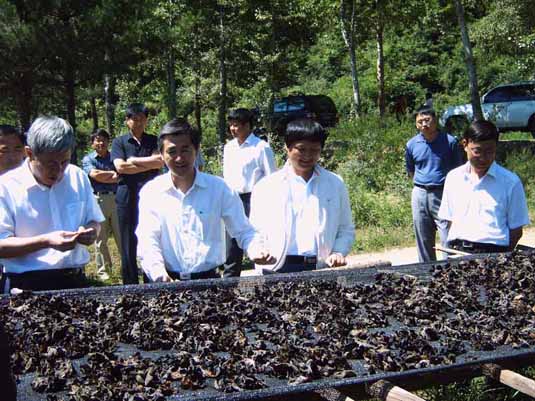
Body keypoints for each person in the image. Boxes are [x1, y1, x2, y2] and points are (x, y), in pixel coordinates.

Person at [136, 119, 273, 282]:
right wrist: (158, 272)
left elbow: (244, 230)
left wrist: (256, 249)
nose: (179, 158)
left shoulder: (220, 188)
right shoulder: (152, 192)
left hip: (209, 282)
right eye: (172, 152)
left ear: (196, 149)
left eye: (185, 150)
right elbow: (148, 238)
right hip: (166, 281)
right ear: (162, 155)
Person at [0, 116, 104, 292]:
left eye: (64, 161)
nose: (58, 170)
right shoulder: (6, 186)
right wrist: (45, 241)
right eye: (50, 163)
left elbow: (94, 220)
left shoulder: (77, 176)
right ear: (29, 153)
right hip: (25, 285)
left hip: (75, 281)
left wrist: (91, 232)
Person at [249, 118, 355, 274]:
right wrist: (258, 251)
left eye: (314, 150)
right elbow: (253, 231)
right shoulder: (266, 187)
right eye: (301, 149)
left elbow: (345, 228)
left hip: (320, 268)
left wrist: (338, 252)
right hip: (276, 267)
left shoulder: (335, 184)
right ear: (288, 147)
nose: (307, 156)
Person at [438, 120, 530, 253]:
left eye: (489, 152)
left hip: (494, 254)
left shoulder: (510, 182)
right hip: (458, 251)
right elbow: (450, 220)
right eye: (477, 151)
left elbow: (516, 230)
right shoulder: (454, 178)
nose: (483, 158)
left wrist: (499, 259)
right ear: (465, 144)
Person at [111, 103, 163, 284]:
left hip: (151, 196)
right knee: (128, 241)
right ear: (127, 121)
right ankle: (130, 285)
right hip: (127, 197)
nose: (139, 123)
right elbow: (120, 167)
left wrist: (133, 161)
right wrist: (146, 164)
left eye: (142, 119)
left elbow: (159, 162)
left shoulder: (153, 140)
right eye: (135, 119)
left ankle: (152, 279)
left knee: (151, 237)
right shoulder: (119, 142)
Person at [223, 108, 277, 277]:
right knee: (232, 245)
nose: (233, 129)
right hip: (232, 199)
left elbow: (272, 177)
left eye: (236, 125)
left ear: (247, 126)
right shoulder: (229, 147)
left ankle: (266, 283)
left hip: (254, 199)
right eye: (231, 125)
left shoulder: (261, 147)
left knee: (258, 240)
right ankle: (229, 287)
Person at [405, 106, 463, 262]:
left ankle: (450, 271)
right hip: (420, 193)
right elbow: (411, 170)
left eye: (427, 120)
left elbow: (459, 170)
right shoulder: (412, 144)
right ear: (416, 125)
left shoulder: (450, 141)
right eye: (420, 121)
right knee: (423, 236)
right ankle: (426, 273)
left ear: (435, 121)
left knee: (448, 235)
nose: (424, 124)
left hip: (443, 192)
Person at [82, 128, 121, 281]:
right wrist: (113, 175)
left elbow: (121, 174)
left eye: (104, 140)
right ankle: (104, 271)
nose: (101, 143)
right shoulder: (88, 159)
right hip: (99, 200)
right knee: (101, 239)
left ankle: (128, 267)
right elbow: (95, 175)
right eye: (97, 140)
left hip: (117, 198)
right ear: (92, 144)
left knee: (122, 236)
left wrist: (106, 176)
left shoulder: (115, 157)